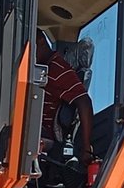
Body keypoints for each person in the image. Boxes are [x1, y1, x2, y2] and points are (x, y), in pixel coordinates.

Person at [36, 30, 94, 171]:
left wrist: (86, 148)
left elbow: (84, 102)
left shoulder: (57, 69)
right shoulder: (43, 69)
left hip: (41, 134)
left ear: (41, 42)